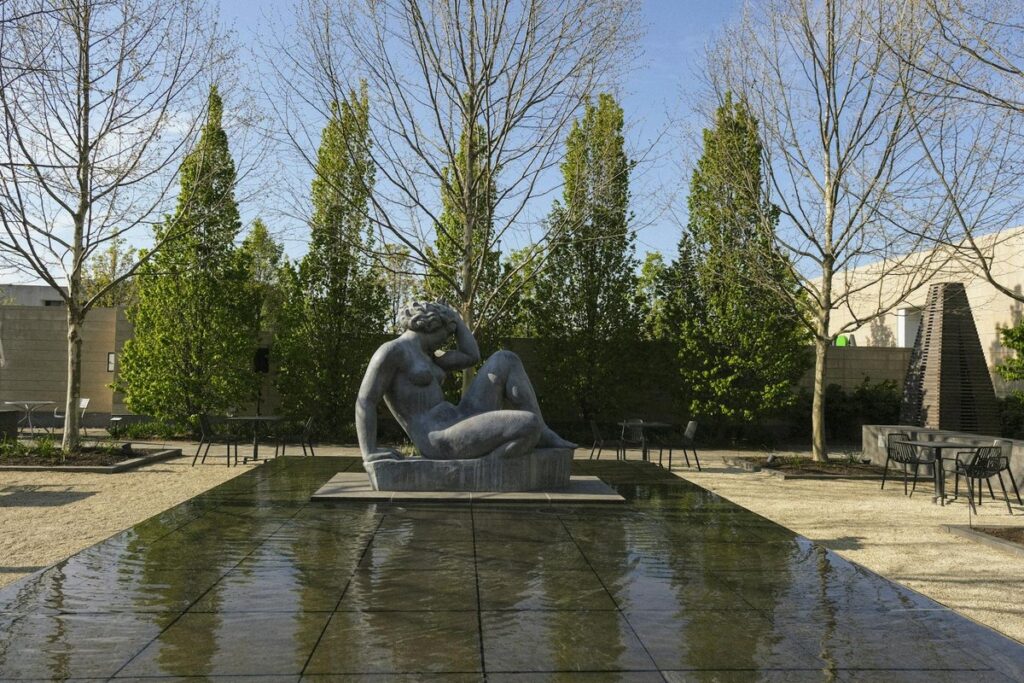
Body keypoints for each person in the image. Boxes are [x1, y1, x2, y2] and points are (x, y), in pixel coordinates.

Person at [356, 301, 574, 463]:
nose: (447, 339)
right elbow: (366, 400)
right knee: (527, 424)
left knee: (505, 359)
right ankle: (486, 467)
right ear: (431, 325)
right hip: (438, 437)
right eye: (447, 333)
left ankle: (544, 432)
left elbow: (472, 356)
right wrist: (369, 451)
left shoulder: (430, 356)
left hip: (459, 419)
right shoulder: (392, 351)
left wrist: (457, 321)